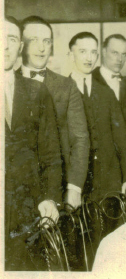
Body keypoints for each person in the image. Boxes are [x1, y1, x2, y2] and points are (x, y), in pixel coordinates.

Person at [5, 16, 62, 271]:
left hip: (26, 214)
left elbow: (51, 154)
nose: (4, 46)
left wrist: (49, 197)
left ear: (20, 46)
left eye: (12, 39)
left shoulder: (36, 91)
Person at [20, 16, 89, 210]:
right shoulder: (6, 82)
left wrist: (75, 187)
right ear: (20, 45)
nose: (41, 48)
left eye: (47, 41)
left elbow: (80, 138)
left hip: (58, 186)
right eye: (33, 40)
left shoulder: (66, 86)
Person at [68, 31, 126, 202]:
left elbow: (121, 138)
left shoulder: (106, 92)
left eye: (93, 52)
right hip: (74, 184)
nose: (88, 58)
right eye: (83, 52)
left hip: (108, 180)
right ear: (71, 55)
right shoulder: (60, 90)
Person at [92, 34, 126, 136]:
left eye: (124, 54)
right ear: (104, 52)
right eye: (115, 53)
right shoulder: (89, 81)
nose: (120, 59)